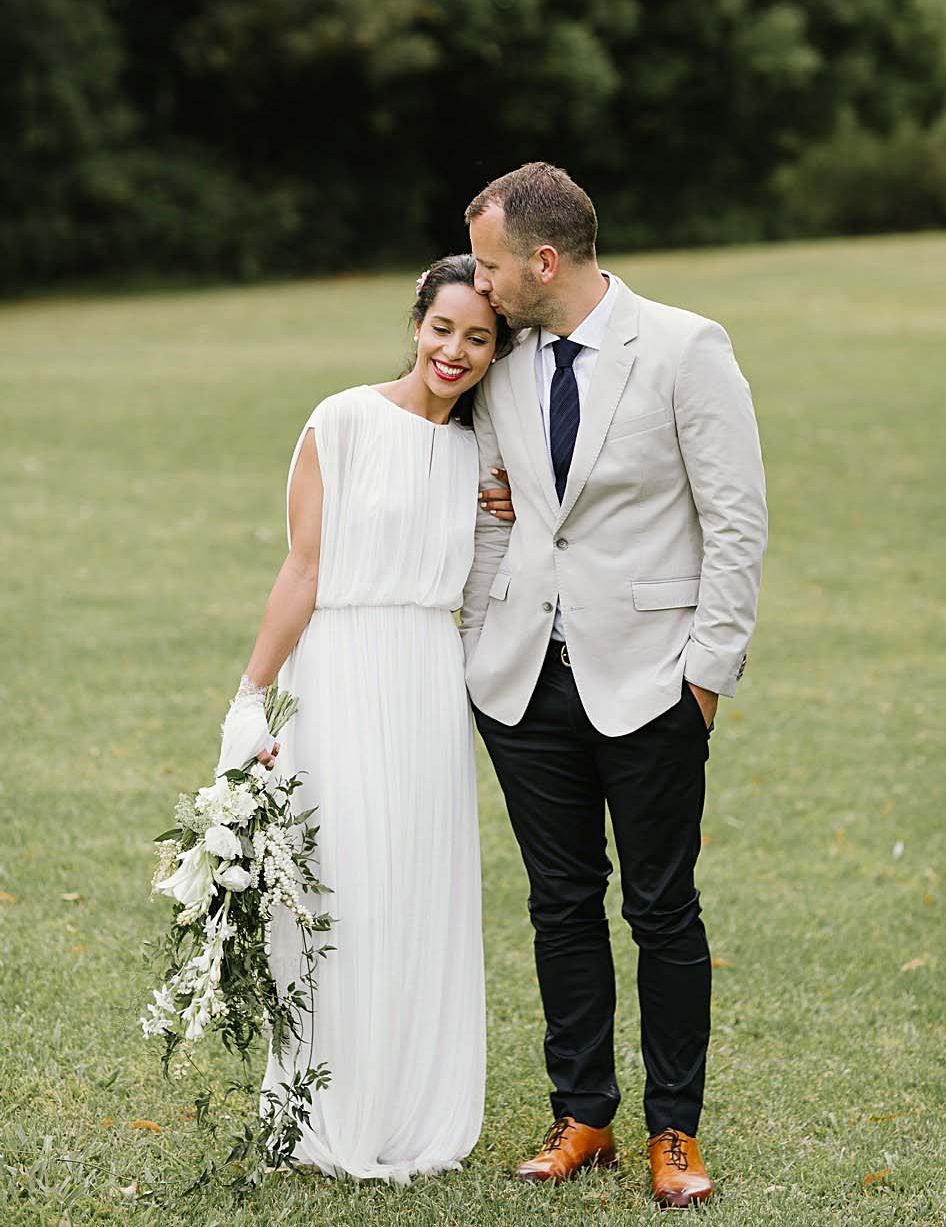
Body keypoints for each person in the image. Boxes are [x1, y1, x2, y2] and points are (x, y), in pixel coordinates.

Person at [461, 162, 767, 1210]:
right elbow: (494, 512)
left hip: (653, 685)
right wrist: (476, 644)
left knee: (661, 910)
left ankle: (672, 1132)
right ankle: (582, 1112)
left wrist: (706, 678)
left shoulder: (685, 348)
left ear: (545, 262)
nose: (480, 283)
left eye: (494, 264)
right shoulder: (503, 358)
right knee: (558, 903)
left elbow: (735, 521)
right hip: (522, 688)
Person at [215, 255, 515, 1184]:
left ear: (497, 348)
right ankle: (328, 1101)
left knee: (415, 886)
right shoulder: (340, 420)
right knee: (342, 885)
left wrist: (515, 512)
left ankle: (410, 1103)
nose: (454, 352)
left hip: (429, 683)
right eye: (442, 329)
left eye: (478, 338)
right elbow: (302, 570)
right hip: (341, 672)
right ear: (415, 323)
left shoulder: (480, 457)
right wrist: (250, 694)